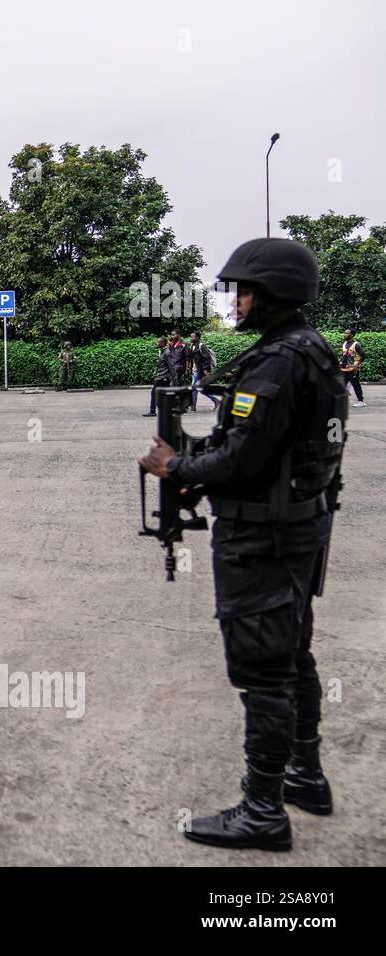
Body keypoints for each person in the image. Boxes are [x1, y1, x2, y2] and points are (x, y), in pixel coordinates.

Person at [139, 238, 346, 852]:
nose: (236, 301)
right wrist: (196, 454)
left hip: (264, 538)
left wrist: (176, 468)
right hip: (296, 530)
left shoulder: (278, 363)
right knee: (292, 657)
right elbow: (266, 446)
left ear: (273, 294)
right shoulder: (307, 352)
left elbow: (246, 458)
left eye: (244, 290)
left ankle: (263, 810)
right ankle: (302, 777)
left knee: (263, 672)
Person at [187, 332, 220, 412]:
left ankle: (193, 406)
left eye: (193, 337)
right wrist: (190, 367)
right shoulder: (192, 346)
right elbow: (193, 359)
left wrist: (205, 369)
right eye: (190, 337)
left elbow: (207, 358)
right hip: (196, 370)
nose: (191, 338)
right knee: (201, 388)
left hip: (201, 370)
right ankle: (215, 400)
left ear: (197, 338)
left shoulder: (202, 346)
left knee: (195, 388)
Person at [143, 337, 172, 417]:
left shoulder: (167, 352)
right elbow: (162, 365)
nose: (157, 343)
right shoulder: (162, 352)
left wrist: (174, 379)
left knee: (154, 393)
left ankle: (152, 411)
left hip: (163, 377)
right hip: (161, 376)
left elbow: (171, 367)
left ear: (163, 343)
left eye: (158, 342)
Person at [340, 329, 366, 407]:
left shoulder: (356, 345)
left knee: (356, 385)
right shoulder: (344, 344)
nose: (345, 334)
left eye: (347, 333)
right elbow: (344, 355)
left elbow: (363, 356)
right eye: (344, 333)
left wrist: (357, 364)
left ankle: (361, 401)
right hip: (344, 369)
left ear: (352, 335)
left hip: (353, 369)